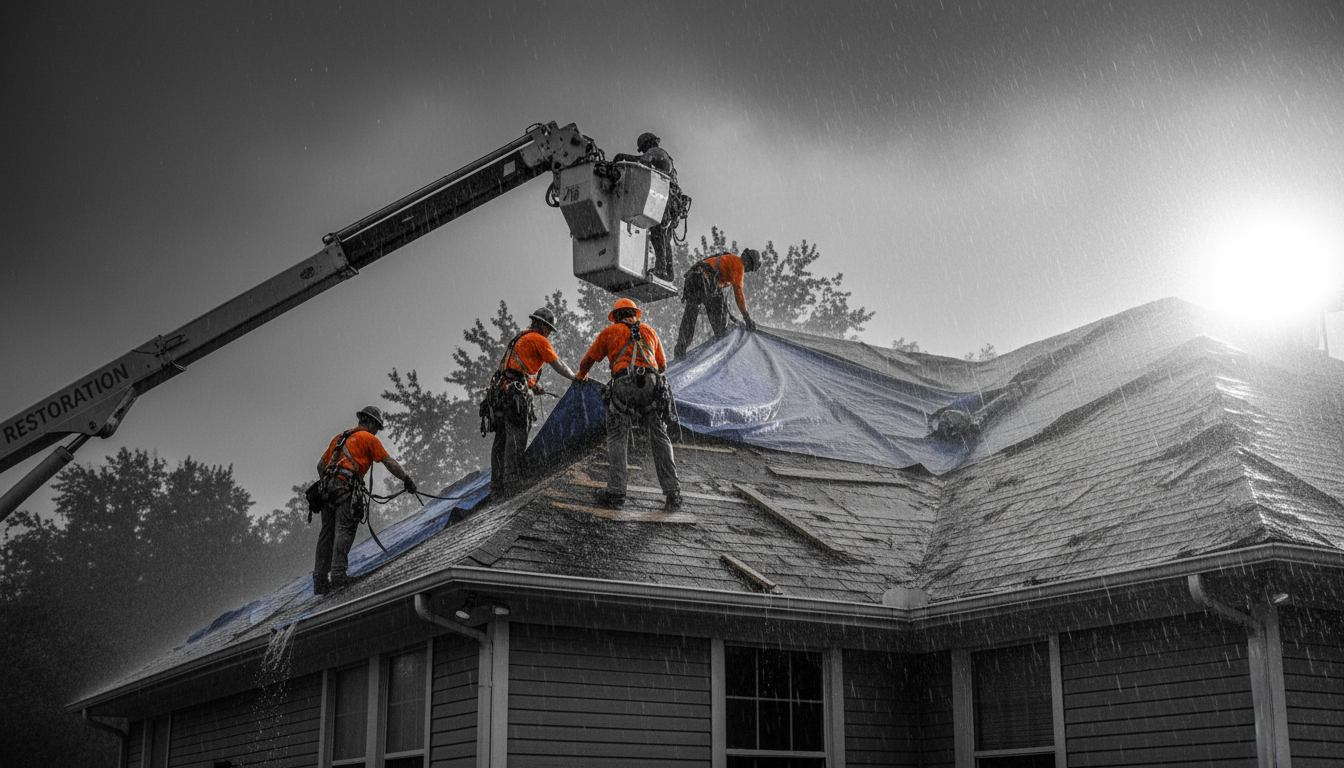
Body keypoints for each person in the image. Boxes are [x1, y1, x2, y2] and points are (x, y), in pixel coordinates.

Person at [576, 298, 682, 510]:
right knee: (659, 436)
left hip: (623, 384)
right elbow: (661, 366)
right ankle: (673, 493)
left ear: (616, 316)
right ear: (634, 314)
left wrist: (581, 376)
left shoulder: (610, 332)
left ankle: (616, 493)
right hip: (652, 386)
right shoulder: (649, 331)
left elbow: (588, 360)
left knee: (617, 436)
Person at [313, 405, 415, 595]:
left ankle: (319, 580)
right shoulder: (369, 438)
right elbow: (389, 462)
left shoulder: (339, 437)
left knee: (326, 533)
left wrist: (328, 484)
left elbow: (321, 465)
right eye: (376, 427)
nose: (376, 431)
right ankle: (338, 575)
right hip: (345, 486)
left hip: (326, 488)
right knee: (344, 528)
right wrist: (406, 479)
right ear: (370, 423)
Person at [482, 307, 578, 498]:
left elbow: (515, 369)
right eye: (549, 329)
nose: (549, 333)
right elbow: (557, 364)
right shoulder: (538, 339)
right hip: (514, 396)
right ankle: (511, 483)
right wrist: (576, 378)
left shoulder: (520, 337)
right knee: (516, 438)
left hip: (500, 394)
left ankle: (497, 487)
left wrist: (533, 385)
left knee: (501, 440)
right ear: (542, 326)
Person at [673, 247, 762, 360]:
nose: (748, 270)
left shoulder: (730, 260)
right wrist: (746, 317)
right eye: (750, 268)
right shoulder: (739, 264)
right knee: (719, 322)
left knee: (690, 316)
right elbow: (738, 292)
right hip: (704, 278)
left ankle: (680, 350)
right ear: (748, 262)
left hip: (693, 278)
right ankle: (723, 345)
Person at [612, 132, 679, 281]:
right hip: (670, 203)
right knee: (663, 237)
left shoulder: (656, 152)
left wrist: (625, 157)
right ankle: (668, 272)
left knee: (657, 234)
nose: (643, 151)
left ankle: (662, 269)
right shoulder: (664, 157)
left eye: (643, 149)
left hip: (664, 202)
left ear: (648, 144)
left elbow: (644, 162)